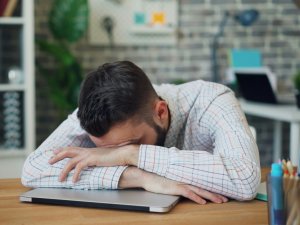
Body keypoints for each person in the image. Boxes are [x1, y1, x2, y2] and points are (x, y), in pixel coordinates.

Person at [22, 61, 261, 204]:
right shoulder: (95, 112)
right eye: (106, 150)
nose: (111, 156)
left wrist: (131, 154)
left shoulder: (212, 100)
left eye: (125, 144)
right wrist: (137, 176)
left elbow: (245, 178)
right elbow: (33, 169)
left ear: (161, 112)